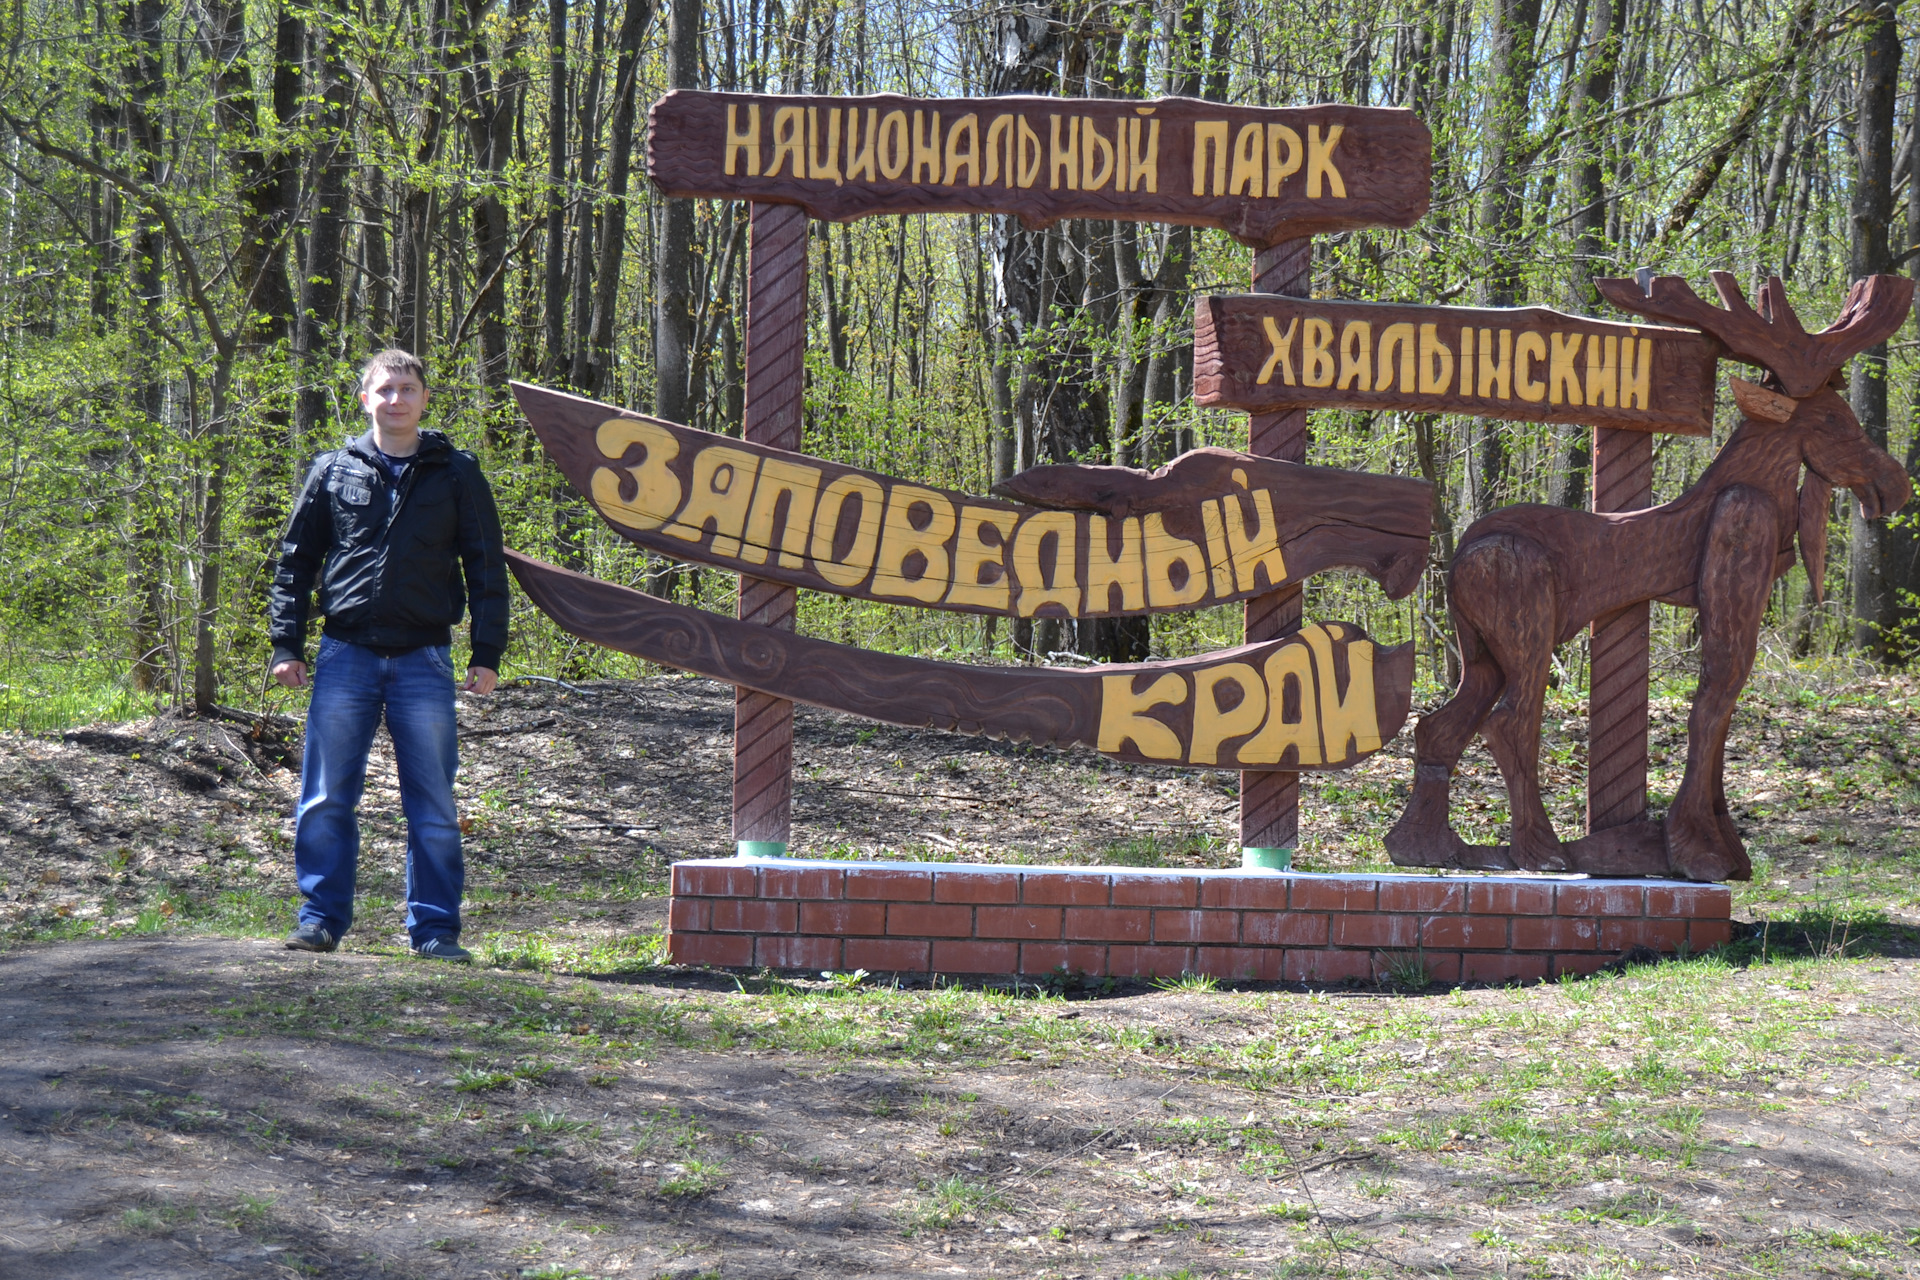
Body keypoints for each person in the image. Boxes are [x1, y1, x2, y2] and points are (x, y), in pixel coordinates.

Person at [267, 350, 509, 962]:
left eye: (407, 389)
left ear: (424, 399)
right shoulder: (332, 471)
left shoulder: (456, 473)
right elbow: (295, 563)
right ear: (365, 400)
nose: (396, 399)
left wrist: (488, 651)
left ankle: (434, 932)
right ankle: (320, 920)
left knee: (432, 805)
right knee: (325, 799)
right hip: (344, 655)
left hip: (425, 660)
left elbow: (485, 568)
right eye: (385, 390)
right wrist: (285, 644)